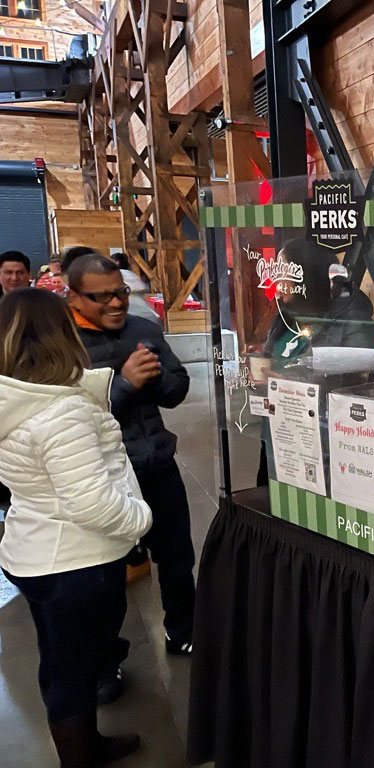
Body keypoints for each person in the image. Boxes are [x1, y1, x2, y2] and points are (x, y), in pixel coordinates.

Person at [0, 288, 152, 767]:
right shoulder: (60, 414)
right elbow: (92, 503)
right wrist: (141, 519)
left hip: (35, 555)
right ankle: (81, 756)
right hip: (77, 562)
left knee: (61, 662)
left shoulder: (17, 401)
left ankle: (85, 744)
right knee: (75, 671)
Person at [66, 254, 196, 655]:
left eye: (120, 292)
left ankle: (185, 633)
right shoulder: (61, 343)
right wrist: (124, 384)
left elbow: (177, 390)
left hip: (157, 467)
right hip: (100, 478)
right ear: (74, 298)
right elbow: (65, 420)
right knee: (105, 575)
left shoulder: (143, 328)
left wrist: (152, 379)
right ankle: (105, 661)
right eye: (100, 296)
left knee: (177, 559)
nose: (116, 303)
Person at [110, 251, 161, 323]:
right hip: (144, 310)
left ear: (117, 262)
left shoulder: (118, 276)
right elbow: (143, 287)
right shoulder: (132, 274)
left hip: (132, 310)